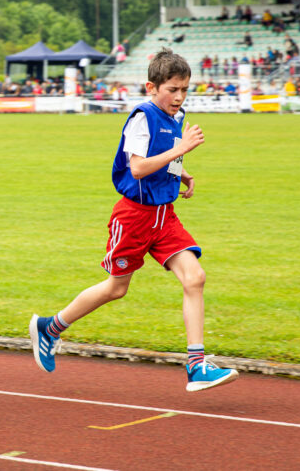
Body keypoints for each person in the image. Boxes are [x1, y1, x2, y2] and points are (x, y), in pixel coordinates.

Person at [28, 49, 237, 392]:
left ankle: (197, 366)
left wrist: (182, 173)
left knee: (195, 277)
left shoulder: (175, 117)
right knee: (116, 288)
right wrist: (181, 150)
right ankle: (50, 328)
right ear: (152, 88)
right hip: (135, 217)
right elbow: (138, 167)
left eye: (185, 89)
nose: (179, 97)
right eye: (173, 89)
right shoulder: (143, 117)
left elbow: (163, 155)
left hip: (165, 216)